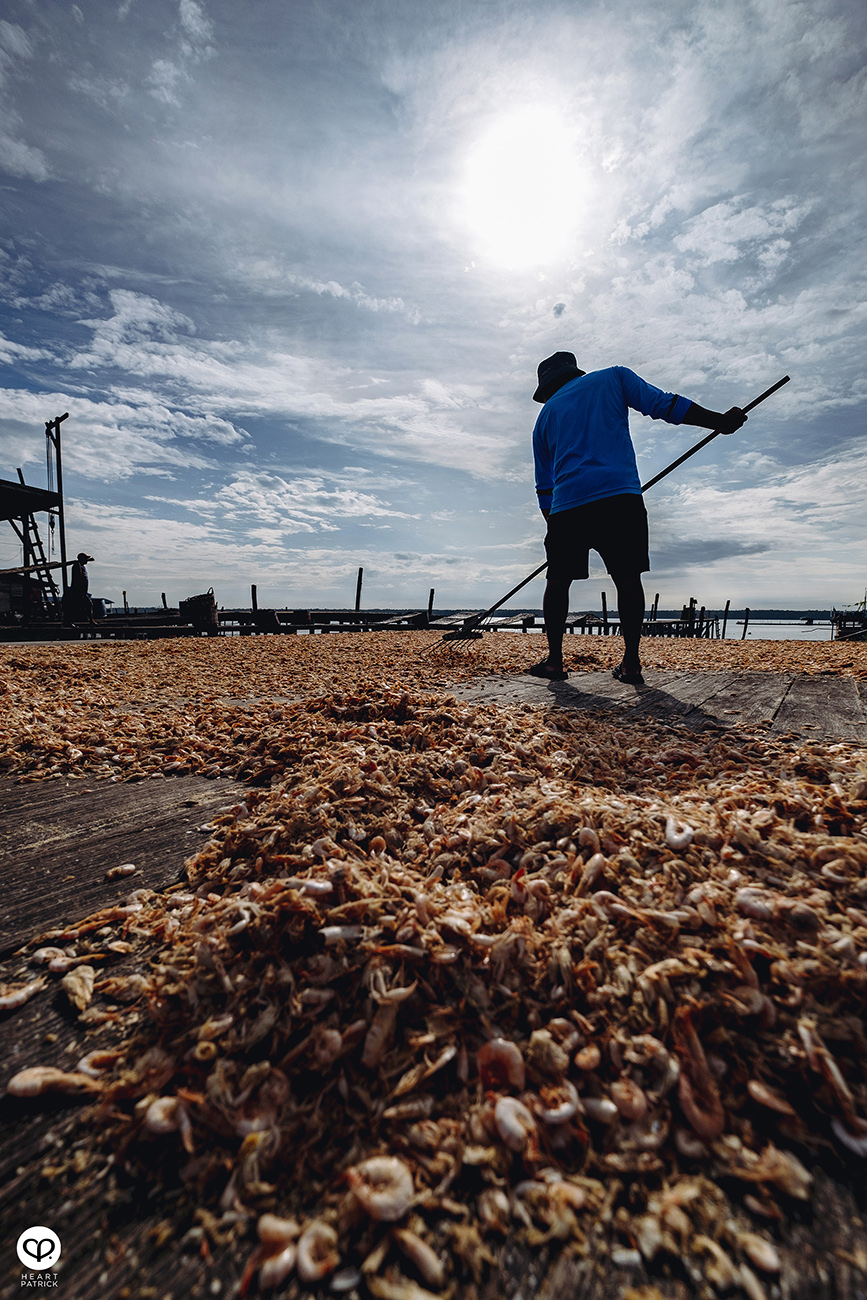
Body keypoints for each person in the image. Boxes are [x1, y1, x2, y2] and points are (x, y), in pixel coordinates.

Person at [530, 352, 746, 685]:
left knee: (558, 582)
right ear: (574, 372)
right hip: (619, 496)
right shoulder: (613, 377)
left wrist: (554, 524)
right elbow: (665, 405)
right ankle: (631, 663)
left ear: (547, 388)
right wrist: (718, 421)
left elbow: (544, 486)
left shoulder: (544, 418)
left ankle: (555, 662)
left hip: (566, 506)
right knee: (627, 578)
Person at [67, 551, 96, 626]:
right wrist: (79, 591)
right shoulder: (77, 565)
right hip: (78, 591)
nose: (87, 561)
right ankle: (69, 622)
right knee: (74, 607)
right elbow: (77, 579)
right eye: (85, 559)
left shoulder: (82, 566)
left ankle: (91, 621)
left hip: (83, 592)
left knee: (89, 604)